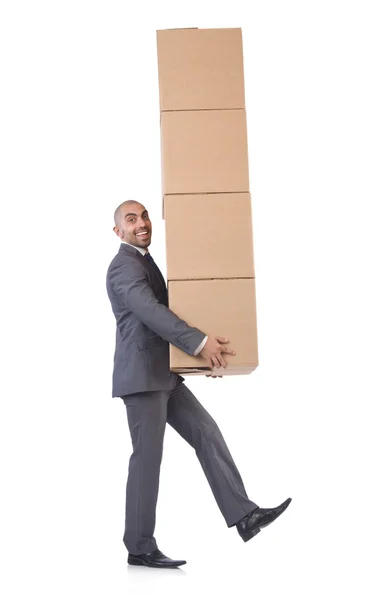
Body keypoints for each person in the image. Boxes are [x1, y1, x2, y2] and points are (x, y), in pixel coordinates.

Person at [106, 200, 291, 569]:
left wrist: (203, 359)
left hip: (165, 374)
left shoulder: (144, 261)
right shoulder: (123, 267)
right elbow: (152, 313)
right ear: (118, 231)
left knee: (206, 431)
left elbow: (178, 309)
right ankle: (139, 547)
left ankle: (245, 516)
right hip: (143, 378)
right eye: (131, 219)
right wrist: (200, 343)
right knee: (148, 461)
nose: (141, 223)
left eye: (144, 216)